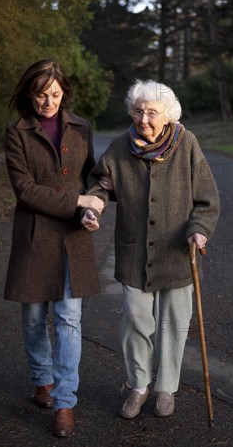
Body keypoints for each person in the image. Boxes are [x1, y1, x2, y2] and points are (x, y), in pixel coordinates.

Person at [82, 79, 220, 419]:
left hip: (177, 253)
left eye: (152, 112)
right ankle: (139, 385)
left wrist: (199, 231)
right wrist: (92, 207)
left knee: (174, 323)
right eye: (138, 111)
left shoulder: (186, 144)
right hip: (134, 255)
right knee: (135, 321)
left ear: (168, 115)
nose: (143, 119)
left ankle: (166, 389)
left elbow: (207, 200)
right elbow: (99, 185)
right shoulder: (119, 148)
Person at [4, 59, 104, 437]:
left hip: (73, 239)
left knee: (69, 320)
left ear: (64, 93)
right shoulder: (17, 133)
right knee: (33, 318)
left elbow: (93, 180)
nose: (49, 102)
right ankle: (41, 379)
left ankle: (65, 402)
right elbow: (25, 190)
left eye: (56, 95)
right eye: (42, 94)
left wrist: (92, 209)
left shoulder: (81, 128)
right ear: (29, 94)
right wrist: (78, 203)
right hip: (33, 237)